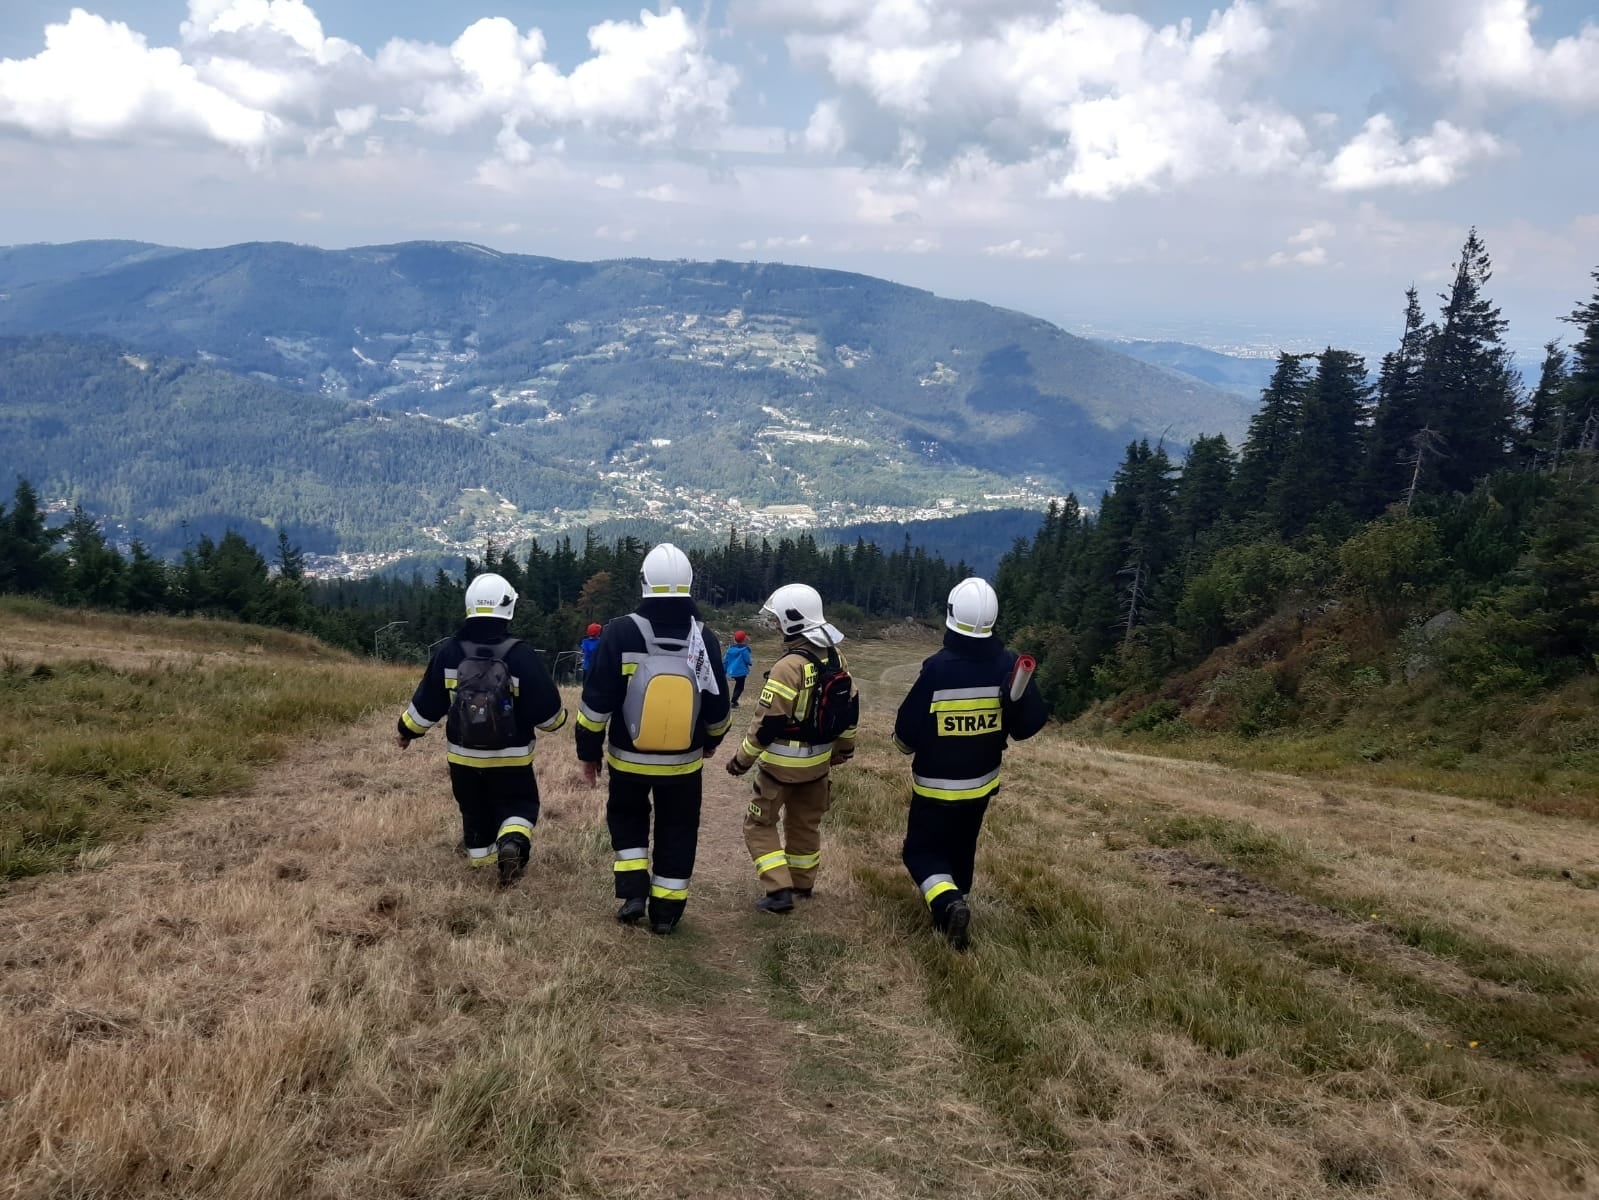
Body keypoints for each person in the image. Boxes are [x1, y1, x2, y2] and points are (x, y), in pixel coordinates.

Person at [576, 544, 732, 934]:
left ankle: (633, 893)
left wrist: (588, 752)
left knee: (627, 818)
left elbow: (595, 704)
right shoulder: (703, 638)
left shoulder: (619, 632)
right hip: (683, 766)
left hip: (627, 760)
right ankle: (666, 914)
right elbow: (718, 708)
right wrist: (712, 740)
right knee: (678, 829)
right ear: (689, 583)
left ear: (644, 582)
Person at [894, 577, 1048, 950]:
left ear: (951, 615)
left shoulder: (938, 669)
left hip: (935, 786)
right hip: (981, 784)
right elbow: (1030, 724)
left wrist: (906, 744)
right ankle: (955, 906)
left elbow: (906, 734)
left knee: (920, 851)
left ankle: (948, 904)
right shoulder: (1010, 665)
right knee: (962, 848)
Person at [396, 572, 567, 887]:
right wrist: (560, 719)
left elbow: (427, 704)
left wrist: (406, 730)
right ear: (508, 607)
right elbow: (550, 718)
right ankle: (512, 843)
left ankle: (481, 864)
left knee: (474, 812)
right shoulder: (521, 655)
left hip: (463, 760)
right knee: (518, 805)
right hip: (512, 759)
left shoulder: (449, 652)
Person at [726, 584, 858, 914]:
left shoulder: (788, 667)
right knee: (805, 824)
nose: (775, 625)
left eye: (777, 620)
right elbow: (850, 708)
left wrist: (741, 761)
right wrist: (845, 749)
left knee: (758, 825)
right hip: (819, 765)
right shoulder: (837, 658)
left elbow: (767, 725)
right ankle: (802, 884)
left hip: (780, 769)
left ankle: (778, 890)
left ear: (791, 620)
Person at [723, 629, 753, 707]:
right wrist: (750, 663)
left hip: (732, 672)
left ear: (734, 639)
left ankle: (733, 701)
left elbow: (725, 661)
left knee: (737, 685)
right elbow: (747, 660)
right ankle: (733, 701)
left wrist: (724, 670)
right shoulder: (745, 650)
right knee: (740, 687)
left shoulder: (730, 649)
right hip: (741, 672)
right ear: (744, 639)